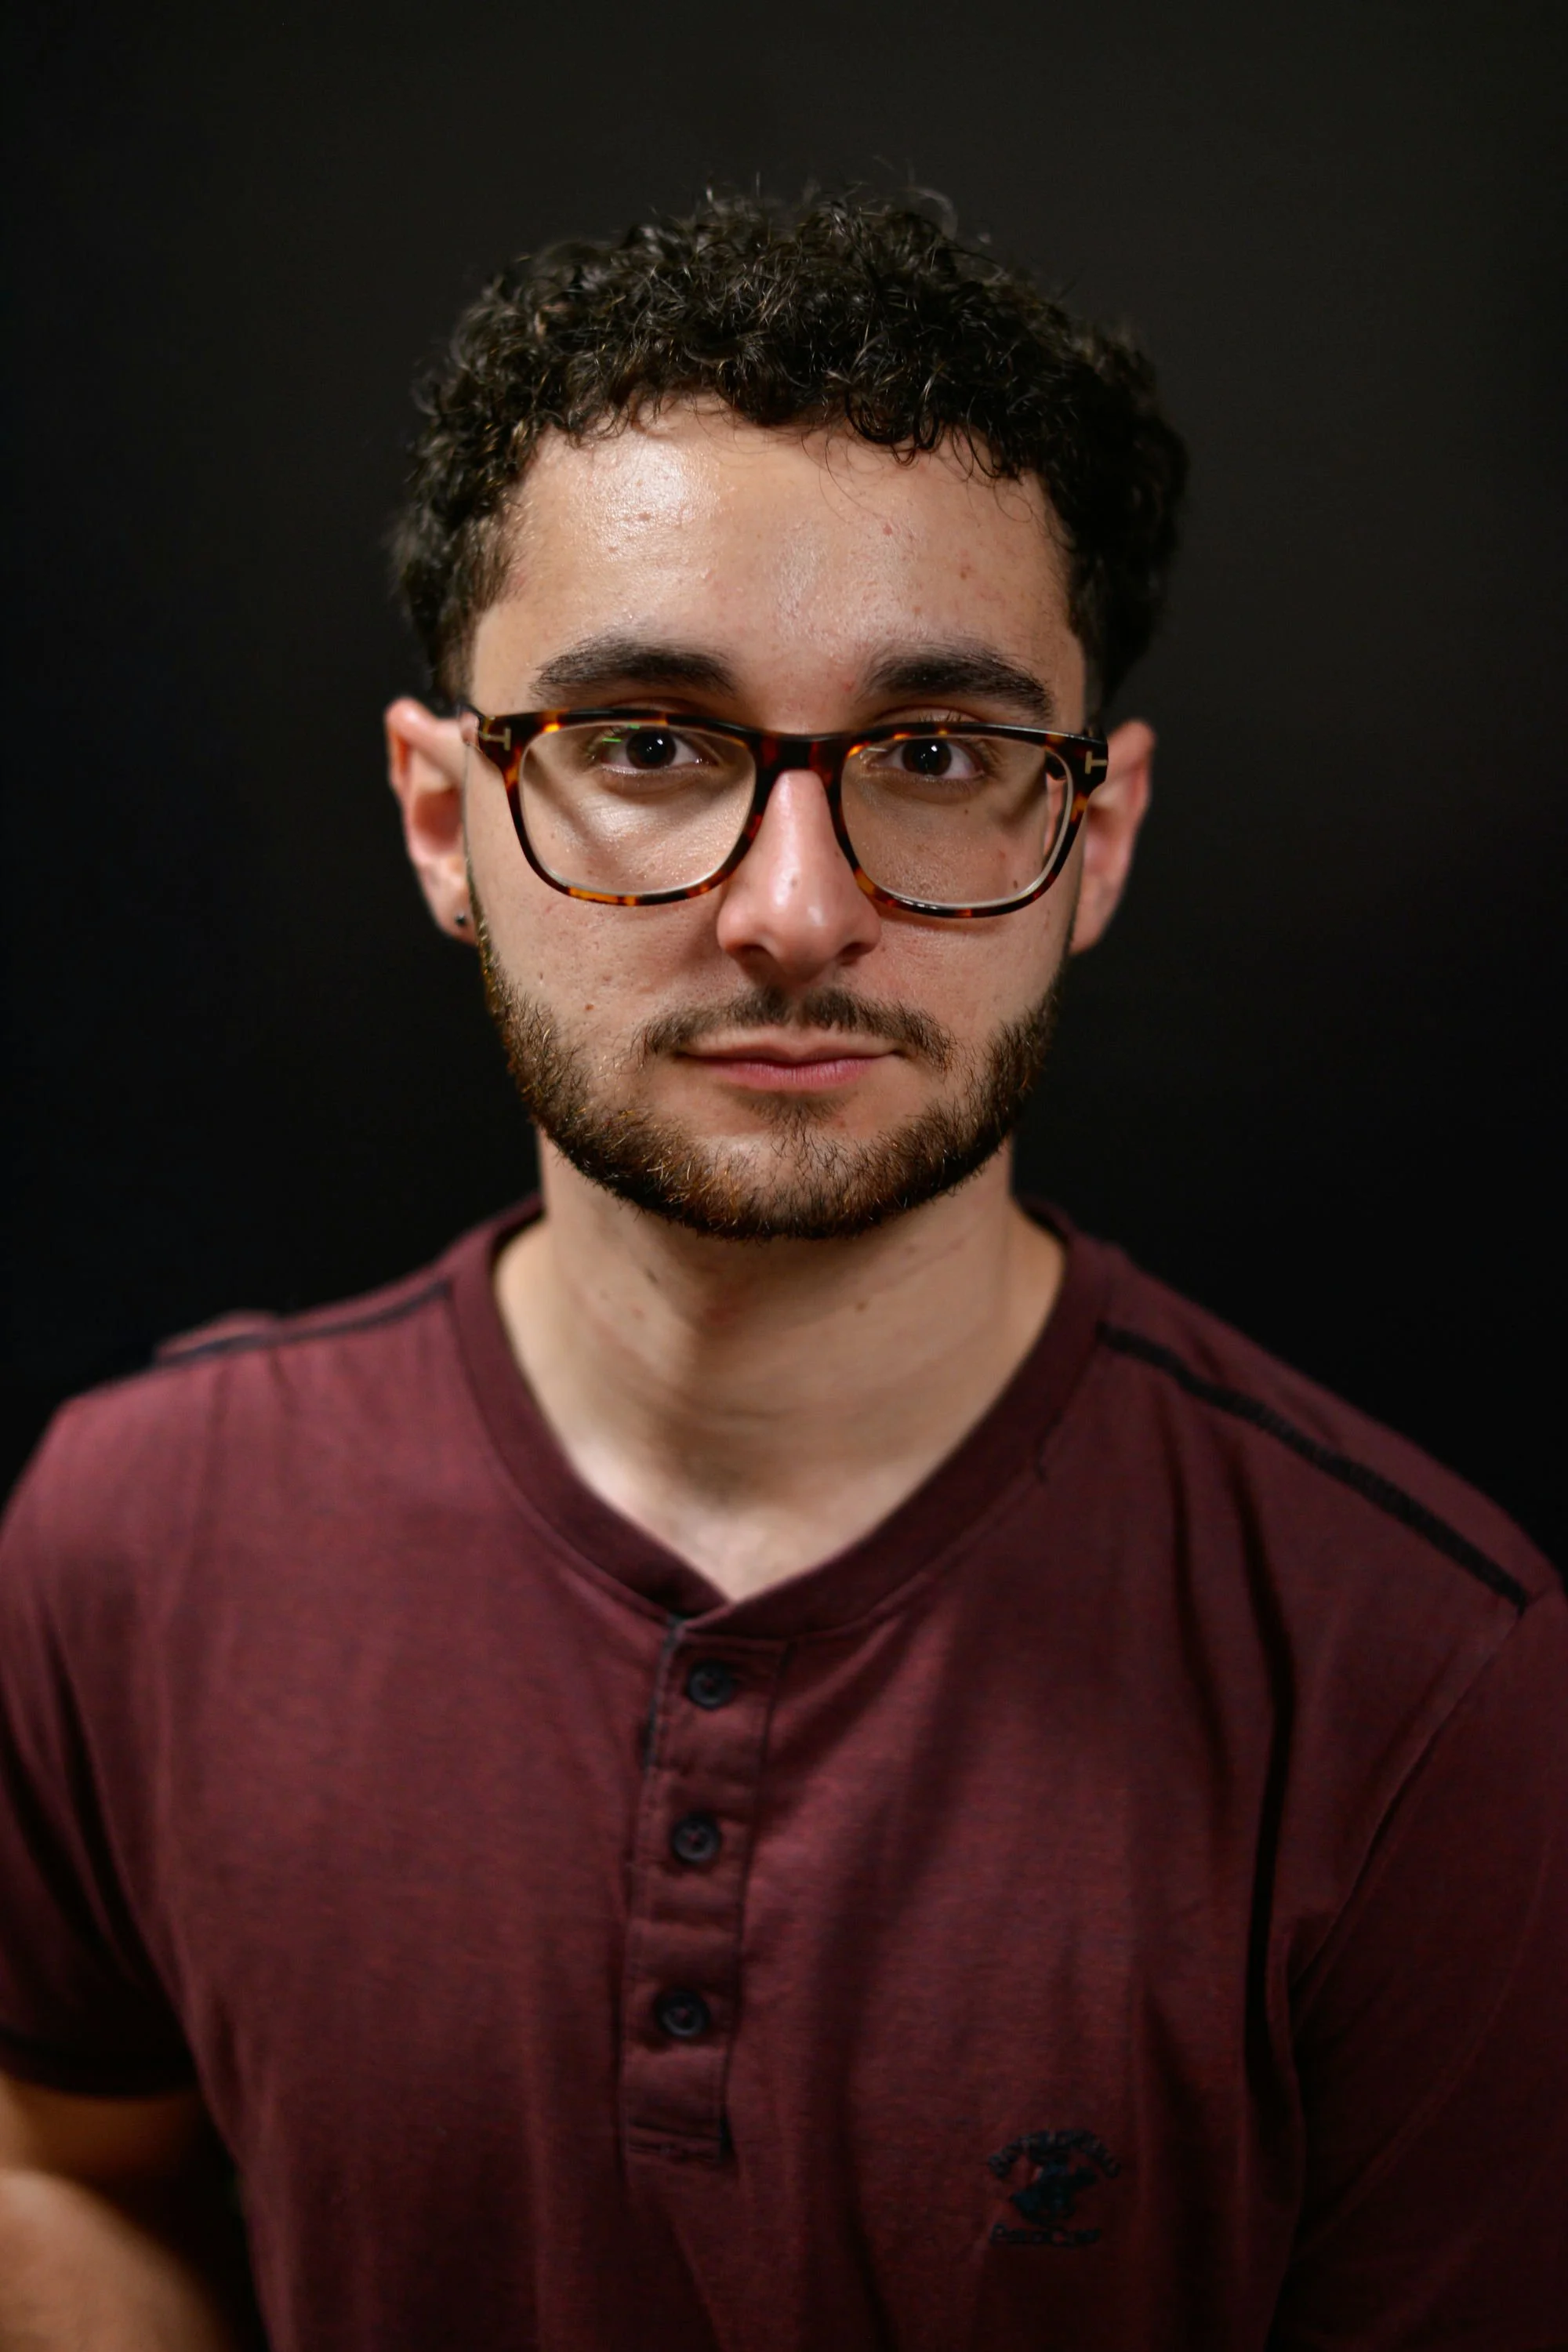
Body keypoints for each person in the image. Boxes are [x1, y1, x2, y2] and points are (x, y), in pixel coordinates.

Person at [0, 194, 1563, 2352]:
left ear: (1094, 838)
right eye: (649, 743)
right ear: (444, 820)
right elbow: (69, 2172)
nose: (796, 913)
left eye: (935, 757)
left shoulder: (1431, 1683)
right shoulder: (128, 1534)